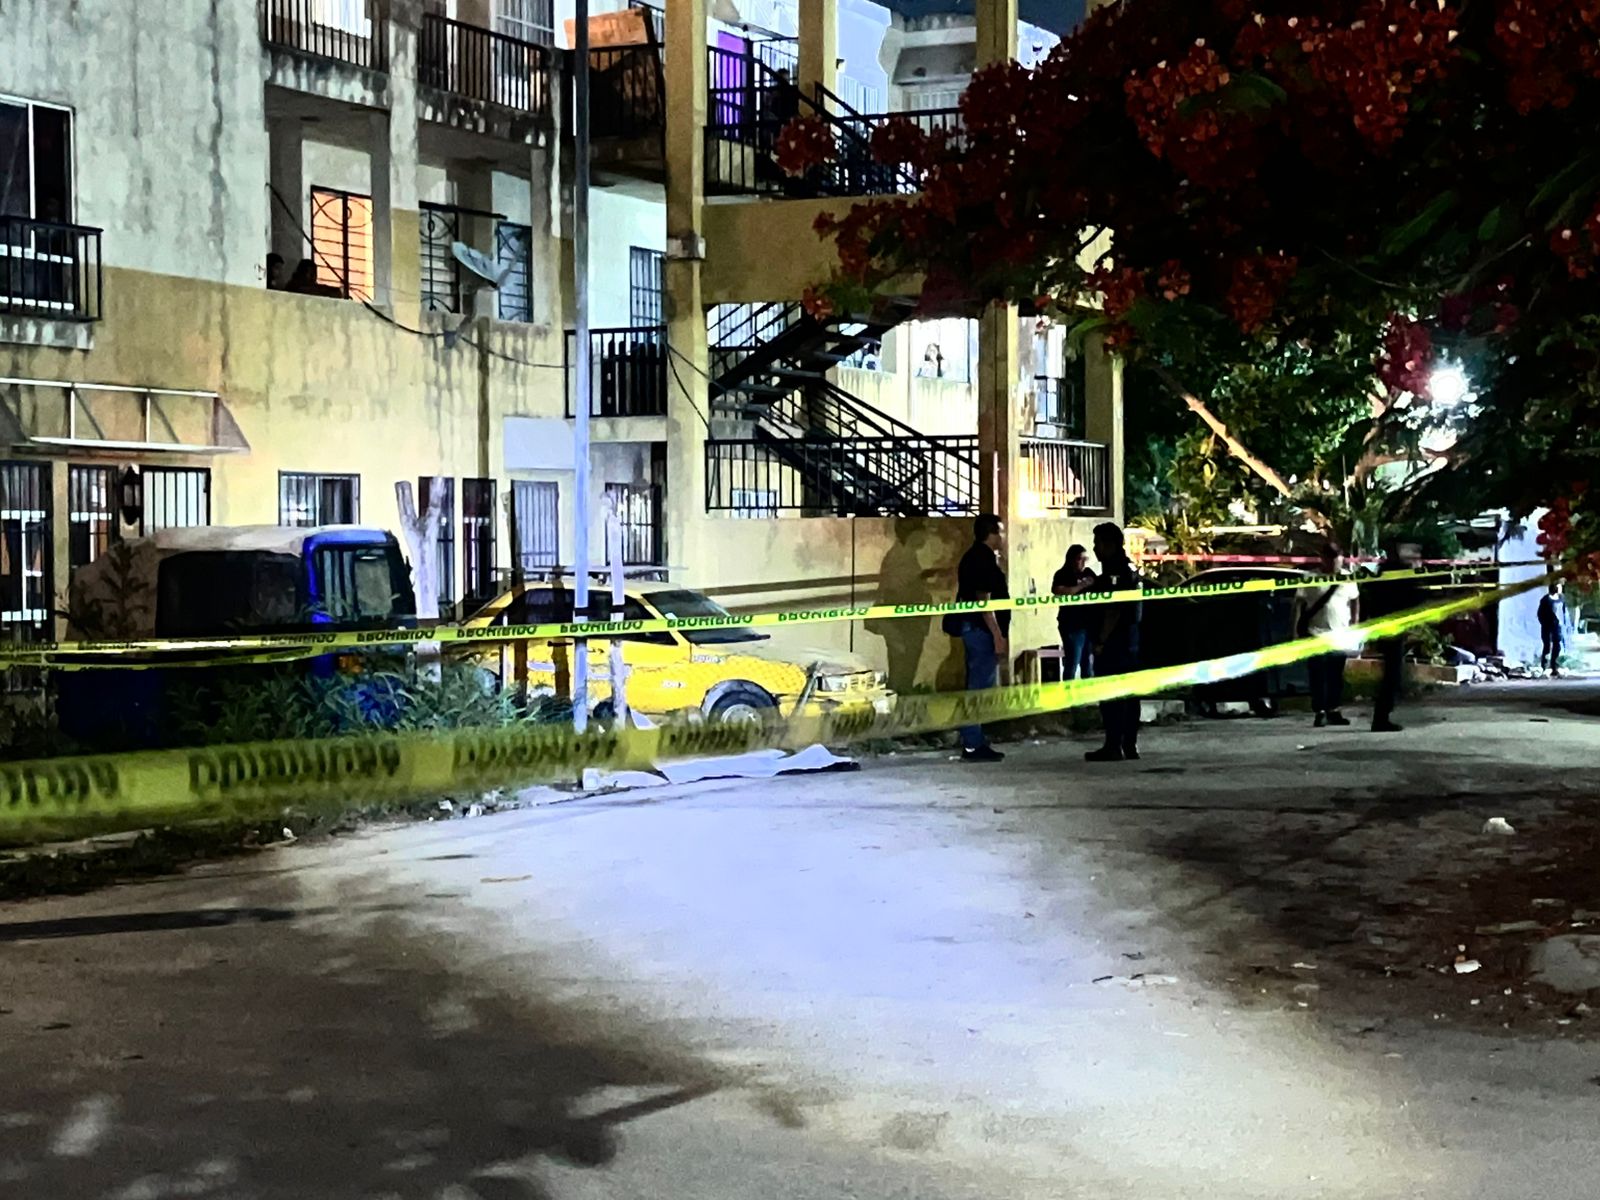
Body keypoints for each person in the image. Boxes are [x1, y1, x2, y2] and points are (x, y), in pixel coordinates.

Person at [953, 513, 1009, 763]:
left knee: (979, 686)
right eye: (1001, 531)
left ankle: (974, 740)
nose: (1003, 537)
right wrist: (997, 635)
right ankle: (973, 743)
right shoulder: (981, 559)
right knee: (979, 688)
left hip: (977, 629)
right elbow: (984, 601)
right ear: (991, 534)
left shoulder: (977, 556)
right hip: (981, 630)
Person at [1086, 522, 1143, 761]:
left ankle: (1113, 746)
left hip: (1115, 643)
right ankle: (1129, 745)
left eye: (1097, 543)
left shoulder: (1115, 570)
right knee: (1130, 695)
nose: (1095, 548)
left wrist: (1100, 640)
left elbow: (1113, 609)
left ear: (1108, 545)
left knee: (1112, 695)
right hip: (1131, 641)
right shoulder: (1130, 566)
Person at [1293, 544, 1361, 727]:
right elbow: (1299, 604)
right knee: (1318, 674)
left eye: (1337, 559)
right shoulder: (1310, 578)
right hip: (1315, 633)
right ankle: (1320, 711)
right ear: (1323, 558)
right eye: (1330, 559)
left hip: (1339, 635)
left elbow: (1355, 600)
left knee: (1336, 675)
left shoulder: (1348, 578)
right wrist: (1296, 631)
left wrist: (1354, 624)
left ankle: (1334, 710)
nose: (1334, 563)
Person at [1365, 541, 1424, 733]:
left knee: (1392, 672)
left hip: (1384, 625)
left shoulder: (1383, 571)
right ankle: (1381, 717)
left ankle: (1382, 714)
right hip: (1394, 626)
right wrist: (1417, 575)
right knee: (1393, 673)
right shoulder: (1401, 573)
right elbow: (1414, 597)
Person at [1051, 543, 1097, 679]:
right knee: (1072, 662)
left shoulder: (1088, 573)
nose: (1083, 562)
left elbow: (1100, 586)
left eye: (1085, 559)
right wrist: (1082, 585)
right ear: (1071, 559)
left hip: (1088, 624)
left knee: (1087, 665)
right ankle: (1068, 690)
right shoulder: (1062, 574)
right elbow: (1059, 590)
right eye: (1079, 559)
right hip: (1071, 625)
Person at [1538, 579, 1567, 676]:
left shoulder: (1561, 598)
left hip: (1558, 627)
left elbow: (1563, 611)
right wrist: (1545, 623)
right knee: (1547, 646)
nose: (1559, 588)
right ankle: (1545, 666)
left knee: (1557, 646)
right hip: (1547, 627)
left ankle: (1554, 666)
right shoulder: (1545, 600)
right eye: (1558, 586)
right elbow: (1540, 614)